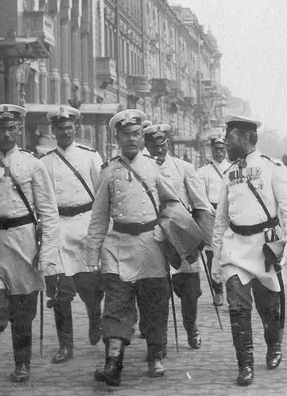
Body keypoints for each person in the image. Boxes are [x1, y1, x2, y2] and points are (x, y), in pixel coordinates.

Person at [0, 104, 60, 392]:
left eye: (12, 128)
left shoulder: (33, 165)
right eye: (1, 127)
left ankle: (22, 363)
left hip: (23, 243)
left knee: (22, 310)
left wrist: (48, 253)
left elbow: (49, 213)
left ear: (19, 129)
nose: (6, 133)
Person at [86, 109, 180, 385]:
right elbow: (99, 217)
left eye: (136, 134)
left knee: (154, 304)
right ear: (117, 137)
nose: (131, 139)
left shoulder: (154, 169)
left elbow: (172, 205)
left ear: (142, 136)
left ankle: (154, 355)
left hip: (151, 246)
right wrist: (92, 253)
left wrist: (173, 234)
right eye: (125, 134)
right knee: (116, 305)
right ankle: (113, 363)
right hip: (117, 246)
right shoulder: (108, 172)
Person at [212, 115, 287, 387]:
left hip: (265, 247)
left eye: (230, 138)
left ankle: (274, 345)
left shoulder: (273, 167)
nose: (225, 143)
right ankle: (246, 365)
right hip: (235, 248)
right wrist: (217, 258)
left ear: (246, 138)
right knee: (238, 307)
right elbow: (221, 219)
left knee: (269, 307)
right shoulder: (228, 173)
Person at [40, 105, 105, 364]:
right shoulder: (44, 162)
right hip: (58, 227)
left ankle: (94, 317)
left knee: (90, 286)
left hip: (85, 224)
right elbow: (42, 199)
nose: (65, 132)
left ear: (75, 129)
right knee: (59, 290)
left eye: (69, 128)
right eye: (60, 128)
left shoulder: (90, 156)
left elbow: (101, 196)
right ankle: (65, 345)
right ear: (53, 131)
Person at [146, 122, 213, 351]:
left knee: (190, 290)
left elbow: (201, 205)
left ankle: (191, 327)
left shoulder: (183, 167)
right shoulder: (142, 169)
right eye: (154, 146)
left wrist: (202, 238)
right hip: (153, 236)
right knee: (158, 289)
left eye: (163, 144)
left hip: (182, 235)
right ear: (146, 145)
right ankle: (160, 336)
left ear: (168, 143)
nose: (159, 150)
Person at [197, 136, 229, 306]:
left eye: (222, 149)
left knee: (230, 252)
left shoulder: (232, 168)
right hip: (212, 214)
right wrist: (212, 210)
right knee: (212, 255)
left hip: (230, 214)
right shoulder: (203, 171)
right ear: (211, 150)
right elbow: (201, 196)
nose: (219, 152)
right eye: (216, 149)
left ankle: (232, 289)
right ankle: (218, 291)